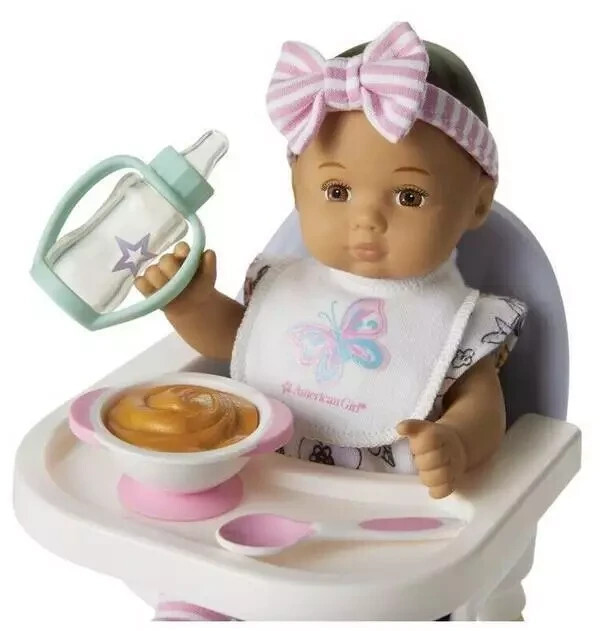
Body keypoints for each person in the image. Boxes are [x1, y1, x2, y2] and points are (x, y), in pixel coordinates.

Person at [135, 22, 527, 621]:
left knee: (389, 601)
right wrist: (190, 304)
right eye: (338, 190)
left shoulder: (461, 323)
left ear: (477, 200)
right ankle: (203, 606)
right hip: (257, 499)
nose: (366, 219)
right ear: (298, 186)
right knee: (201, 566)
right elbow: (238, 340)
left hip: (379, 528)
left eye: (409, 197)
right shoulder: (283, 287)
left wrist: (454, 441)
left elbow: (482, 405)